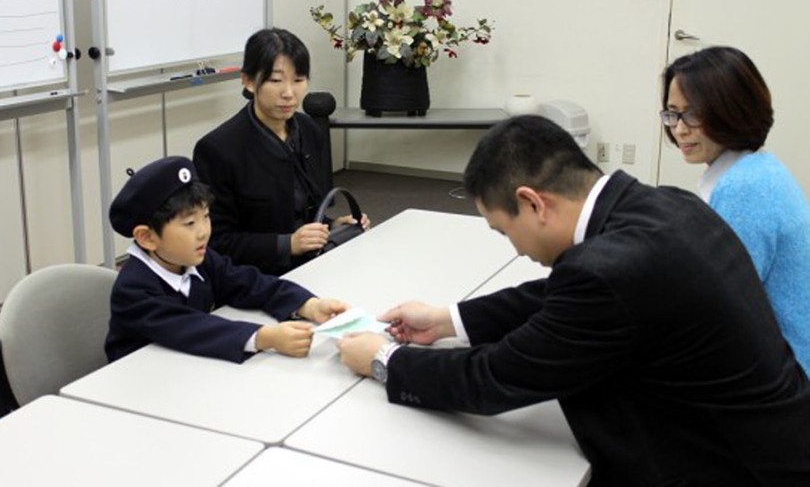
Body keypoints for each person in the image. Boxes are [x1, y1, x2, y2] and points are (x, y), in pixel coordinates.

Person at [336, 116, 810, 485]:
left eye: (504, 230)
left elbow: (494, 377)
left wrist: (385, 360)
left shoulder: (606, 272)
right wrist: (447, 320)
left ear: (533, 203)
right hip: (775, 441)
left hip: (726, 470)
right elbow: (559, 296)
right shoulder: (663, 204)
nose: (515, 249)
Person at [105, 155, 348, 363]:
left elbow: (248, 282)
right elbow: (189, 328)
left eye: (206, 216)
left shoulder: (197, 258)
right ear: (147, 237)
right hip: (144, 381)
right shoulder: (133, 289)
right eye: (189, 223)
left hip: (190, 368)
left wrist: (308, 305)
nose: (203, 231)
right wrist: (265, 337)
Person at [662, 45, 810, 372]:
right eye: (673, 113)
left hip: (788, 376)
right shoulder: (756, 168)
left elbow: (719, 308)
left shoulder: (745, 187)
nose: (680, 128)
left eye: (694, 114)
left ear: (732, 111)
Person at [193, 27, 370, 275]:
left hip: (314, 262)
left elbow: (304, 209)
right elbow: (216, 242)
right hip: (254, 277)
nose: (289, 93)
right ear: (248, 81)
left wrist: (331, 226)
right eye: (275, 81)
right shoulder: (218, 149)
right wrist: (287, 244)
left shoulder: (309, 130)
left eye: (298, 80)